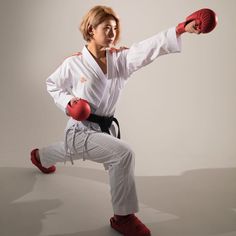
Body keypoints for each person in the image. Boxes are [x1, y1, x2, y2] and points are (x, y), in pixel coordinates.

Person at [30, 5, 216, 236]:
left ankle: (39, 156)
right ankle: (123, 217)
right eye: (106, 28)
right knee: (122, 154)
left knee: (71, 151)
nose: (112, 34)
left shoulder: (120, 59)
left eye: (115, 29)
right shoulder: (74, 63)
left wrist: (180, 29)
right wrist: (68, 103)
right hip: (79, 129)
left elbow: (148, 48)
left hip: (103, 130)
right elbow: (52, 84)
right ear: (91, 29)